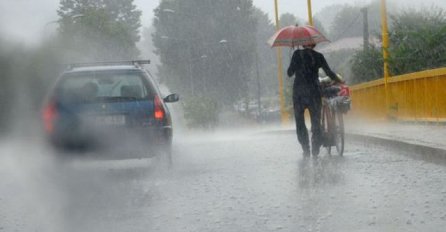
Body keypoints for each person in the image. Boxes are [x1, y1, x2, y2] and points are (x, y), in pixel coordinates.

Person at [287, 43, 341, 157]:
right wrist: (339, 80)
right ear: (314, 44)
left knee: (300, 122)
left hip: (299, 94)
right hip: (314, 93)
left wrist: (293, 60)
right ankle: (315, 149)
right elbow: (329, 72)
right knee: (316, 122)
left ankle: (305, 148)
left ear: (302, 44)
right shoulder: (319, 56)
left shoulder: (297, 54)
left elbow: (289, 73)